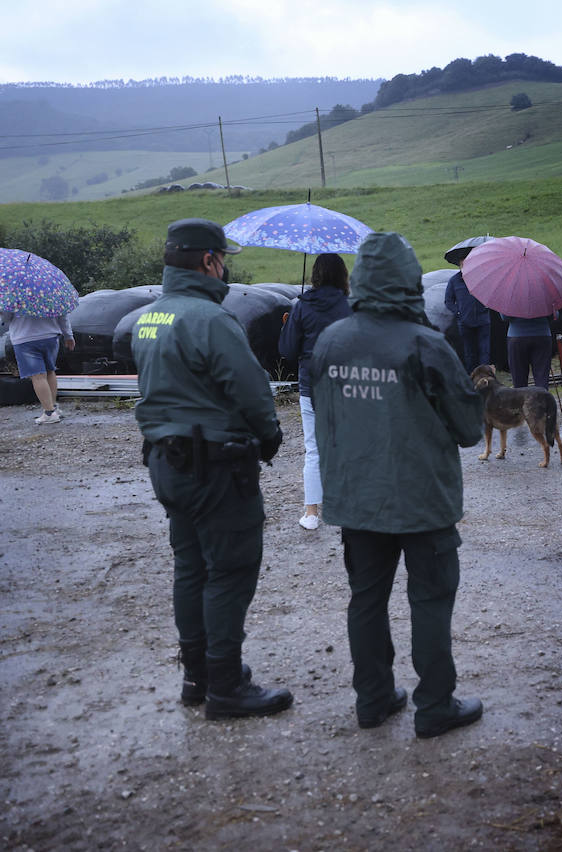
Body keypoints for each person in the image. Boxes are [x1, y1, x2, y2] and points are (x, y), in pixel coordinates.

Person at [311, 231, 486, 738]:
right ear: (410, 281)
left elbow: (326, 416)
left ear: (361, 279)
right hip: (422, 501)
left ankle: (372, 699)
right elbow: (471, 430)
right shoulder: (426, 344)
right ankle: (435, 706)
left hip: (355, 500)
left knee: (366, 599)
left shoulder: (329, 340)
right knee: (430, 600)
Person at [132, 218, 292, 719]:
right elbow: (251, 392)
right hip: (216, 466)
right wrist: (269, 439)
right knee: (229, 571)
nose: (225, 269)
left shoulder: (149, 317)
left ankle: (197, 677)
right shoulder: (212, 319)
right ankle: (226, 686)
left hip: (166, 461)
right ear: (208, 261)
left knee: (191, 567)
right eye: (223, 259)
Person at [277, 253, 352, 531]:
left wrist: (289, 325)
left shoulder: (301, 306)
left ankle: (311, 514)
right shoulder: (350, 306)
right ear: (342, 275)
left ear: (316, 275)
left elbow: (287, 350)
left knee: (314, 450)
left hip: (312, 387)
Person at [4, 308, 74, 424]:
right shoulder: (50, 291)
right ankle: (54, 408)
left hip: (25, 338)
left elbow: (6, 318)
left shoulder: (14, 295)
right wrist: (68, 335)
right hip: (51, 337)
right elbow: (63, 315)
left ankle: (49, 413)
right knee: (50, 371)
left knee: (38, 376)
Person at [443, 261, 490, 371]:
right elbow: (448, 301)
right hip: (464, 322)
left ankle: (486, 375)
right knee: (469, 352)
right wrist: (458, 312)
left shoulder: (481, 277)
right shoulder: (454, 280)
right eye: (463, 264)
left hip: (483, 320)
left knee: (485, 350)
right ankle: (472, 376)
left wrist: (486, 305)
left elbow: (490, 292)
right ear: (459, 266)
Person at [503, 310, 554, 390]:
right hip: (542, 335)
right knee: (542, 379)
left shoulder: (511, 297)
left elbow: (505, 317)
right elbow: (554, 315)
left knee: (519, 382)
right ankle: (542, 401)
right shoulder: (545, 297)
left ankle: (521, 401)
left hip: (517, 336)